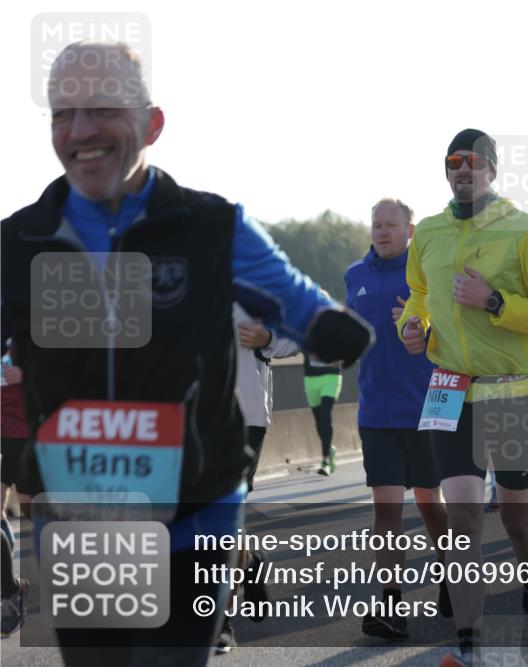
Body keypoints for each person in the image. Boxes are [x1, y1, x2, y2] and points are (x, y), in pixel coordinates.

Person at [0, 42, 373, 667]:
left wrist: (336, 328)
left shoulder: (212, 228)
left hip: (193, 502)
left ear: (151, 124)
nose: (80, 130)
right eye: (62, 113)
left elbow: (299, 307)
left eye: (101, 109)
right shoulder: (21, 240)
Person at [396, 129, 528, 666]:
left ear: (492, 168)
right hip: (450, 390)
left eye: (473, 161)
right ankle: (468, 647)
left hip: (516, 392)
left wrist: (495, 300)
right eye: (453, 162)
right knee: (463, 517)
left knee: (517, 520)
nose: (462, 169)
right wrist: (412, 323)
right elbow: (419, 293)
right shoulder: (427, 231)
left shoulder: (526, 232)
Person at [345, 198, 452, 639]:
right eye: (376, 225)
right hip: (375, 411)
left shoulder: (427, 274)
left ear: (410, 230)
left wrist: (426, 325)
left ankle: (452, 574)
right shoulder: (355, 275)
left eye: (391, 225)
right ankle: (391, 604)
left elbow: (455, 329)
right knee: (385, 509)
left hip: (426, 406)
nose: (382, 232)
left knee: (431, 504)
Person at [218, 305, 299, 653]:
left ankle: (220, 621)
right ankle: (248, 562)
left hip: (242, 415)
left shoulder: (256, 274)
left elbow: (295, 335)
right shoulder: (168, 272)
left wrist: (267, 338)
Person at [1, 343, 32, 637]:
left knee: (32, 515)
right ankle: (10, 592)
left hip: (26, 439)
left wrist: (27, 375)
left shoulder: (27, 334)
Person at [304, 354, 342, 475]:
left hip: (331, 376)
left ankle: (325, 461)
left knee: (325, 414)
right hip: (310, 378)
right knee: (319, 420)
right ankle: (329, 449)